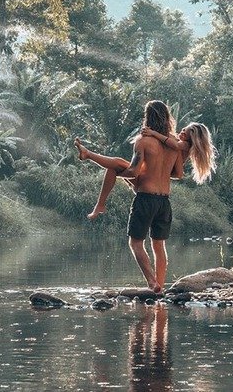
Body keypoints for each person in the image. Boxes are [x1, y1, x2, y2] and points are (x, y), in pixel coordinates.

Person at [75, 100, 184, 292]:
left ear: (147, 118)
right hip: (164, 202)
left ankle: (151, 283)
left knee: (135, 243)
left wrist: (120, 175)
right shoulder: (174, 144)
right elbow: (177, 174)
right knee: (159, 246)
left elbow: (133, 171)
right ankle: (160, 285)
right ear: (167, 118)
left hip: (146, 198)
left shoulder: (143, 141)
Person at [141, 122, 217, 184]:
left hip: (173, 169)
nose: (181, 133)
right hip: (170, 170)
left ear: (191, 139)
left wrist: (154, 133)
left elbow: (175, 145)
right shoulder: (181, 141)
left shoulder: (186, 145)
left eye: (185, 135)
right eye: (183, 130)